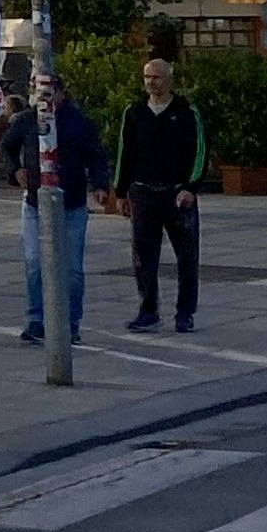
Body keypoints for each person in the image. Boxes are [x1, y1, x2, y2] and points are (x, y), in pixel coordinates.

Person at [3, 57, 106, 348]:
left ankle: (71, 322)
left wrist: (99, 185)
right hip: (36, 202)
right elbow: (7, 146)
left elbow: (95, 154)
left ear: (59, 92)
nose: (40, 96)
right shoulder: (25, 119)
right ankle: (37, 319)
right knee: (35, 262)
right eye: (35, 89)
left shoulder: (77, 121)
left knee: (72, 267)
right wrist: (15, 169)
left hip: (71, 202)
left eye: (46, 90)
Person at [117, 57, 207, 334]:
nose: (151, 83)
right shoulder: (134, 113)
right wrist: (120, 191)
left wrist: (190, 187)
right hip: (144, 192)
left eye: (156, 77)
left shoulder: (186, 111)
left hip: (176, 193)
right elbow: (125, 153)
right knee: (144, 256)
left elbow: (200, 151)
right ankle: (148, 310)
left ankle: (185, 313)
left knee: (187, 256)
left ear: (169, 79)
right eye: (147, 77)